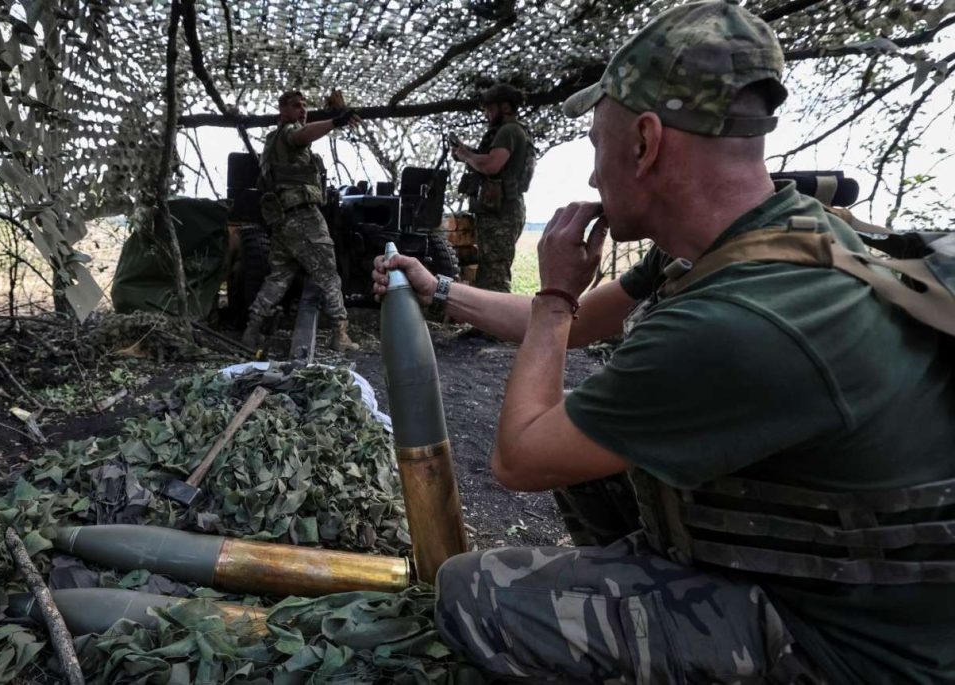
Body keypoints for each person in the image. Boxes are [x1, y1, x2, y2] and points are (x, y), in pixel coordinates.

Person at [372, 1, 955, 682]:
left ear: (645, 142)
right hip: (841, 588)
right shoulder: (759, 235)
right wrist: (441, 290)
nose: (591, 177)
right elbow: (586, 322)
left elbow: (521, 457)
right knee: (601, 440)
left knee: (475, 594)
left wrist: (556, 294)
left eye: (595, 144)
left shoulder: (744, 319)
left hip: (858, 651)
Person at [242, 90, 360, 353]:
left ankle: (252, 330)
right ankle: (340, 333)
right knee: (328, 272)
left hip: (283, 221)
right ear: (282, 109)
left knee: (279, 277)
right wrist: (335, 122)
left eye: (305, 105)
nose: (303, 110)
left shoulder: (271, 142)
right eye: (296, 105)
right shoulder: (287, 133)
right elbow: (301, 136)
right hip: (303, 216)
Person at [454, 83, 534, 292]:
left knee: (495, 276)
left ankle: (496, 324)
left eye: (490, 108)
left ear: (505, 107)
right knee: (490, 271)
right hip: (503, 209)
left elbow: (491, 165)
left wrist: (466, 155)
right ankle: (483, 324)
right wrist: (468, 153)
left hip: (501, 213)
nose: (487, 114)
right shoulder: (517, 130)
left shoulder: (508, 131)